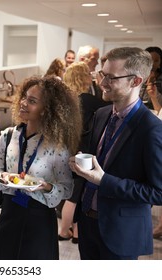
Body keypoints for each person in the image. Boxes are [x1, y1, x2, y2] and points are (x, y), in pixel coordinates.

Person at [69, 47, 162, 260]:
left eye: (111, 78)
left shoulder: (152, 129)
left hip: (121, 232)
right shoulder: (101, 114)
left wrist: (105, 181)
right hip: (87, 223)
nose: (102, 83)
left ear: (136, 81)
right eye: (102, 75)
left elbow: (158, 192)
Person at [0, 76, 82, 259]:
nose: (23, 103)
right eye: (24, 97)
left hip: (39, 218)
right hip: (9, 213)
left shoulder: (57, 146)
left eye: (32, 101)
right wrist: (1, 177)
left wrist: (46, 186)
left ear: (47, 110)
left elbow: (67, 188)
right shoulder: (8, 136)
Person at [59, 62, 109, 244]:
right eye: (88, 74)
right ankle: (64, 230)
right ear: (82, 77)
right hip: (82, 152)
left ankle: (74, 231)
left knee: (76, 193)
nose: (92, 77)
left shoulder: (69, 99)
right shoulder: (87, 99)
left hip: (71, 149)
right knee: (75, 195)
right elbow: (109, 105)